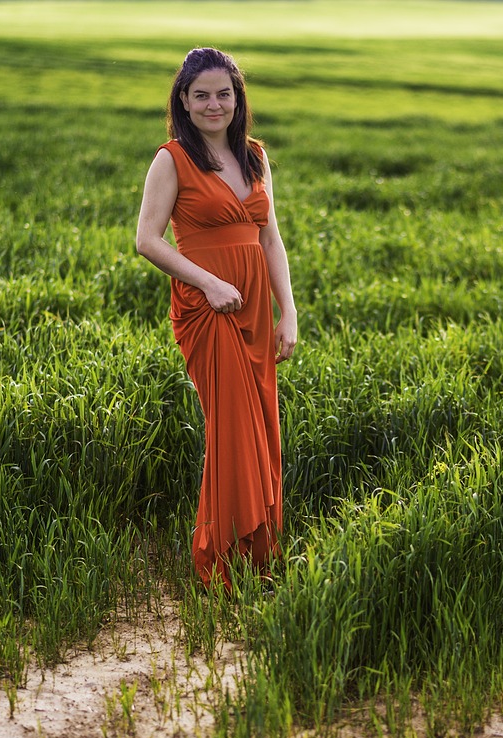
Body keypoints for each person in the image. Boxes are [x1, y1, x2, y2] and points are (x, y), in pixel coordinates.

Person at [135, 47, 297, 591]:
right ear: (183, 99)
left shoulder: (254, 156)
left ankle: (259, 551)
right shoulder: (172, 158)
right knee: (232, 427)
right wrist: (207, 282)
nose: (213, 104)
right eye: (201, 94)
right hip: (207, 307)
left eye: (223, 93)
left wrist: (288, 312)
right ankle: (222, 562)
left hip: (254, 306)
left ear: (237, 98)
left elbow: (270, 238)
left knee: (262, 427)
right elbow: (146, 241)